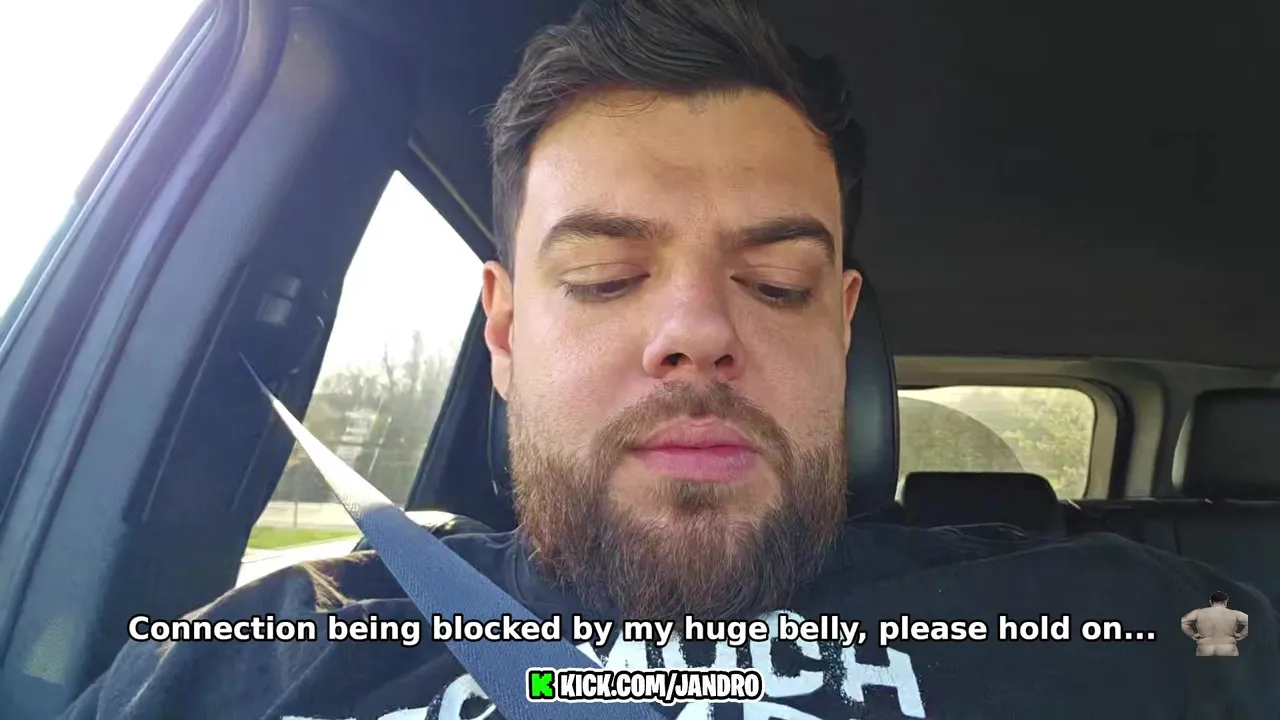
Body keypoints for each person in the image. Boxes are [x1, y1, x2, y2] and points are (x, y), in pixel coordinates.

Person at [64, 0, 1278, 718]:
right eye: (605, 275)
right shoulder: (251, 660)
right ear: (502, 331)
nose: (697, 328)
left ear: (839, 326)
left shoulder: (1139, 631)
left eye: (777, 283)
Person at [1183, 591, 1251, 657]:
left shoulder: (1198, 612)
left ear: (1210, 601)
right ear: (1226, 601)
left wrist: (1192, 634)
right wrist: (1242, 634)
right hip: (1227, 649)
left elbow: (1183, 622)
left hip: (1205, 649)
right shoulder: (1235, 613)